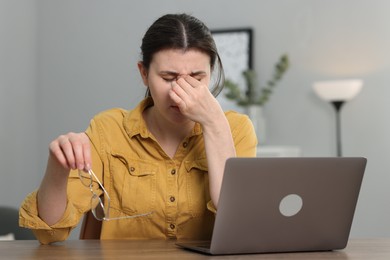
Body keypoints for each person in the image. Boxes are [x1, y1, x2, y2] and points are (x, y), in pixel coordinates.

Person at [19, 13, 257, 244]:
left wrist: (214, 124)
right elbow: (49, 233)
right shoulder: (108, 130)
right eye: (168, 77)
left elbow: (240, 225)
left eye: (197, 77)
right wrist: (57, 168)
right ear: (144, 73)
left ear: (211, 75)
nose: (180, 92)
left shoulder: (236, 130)